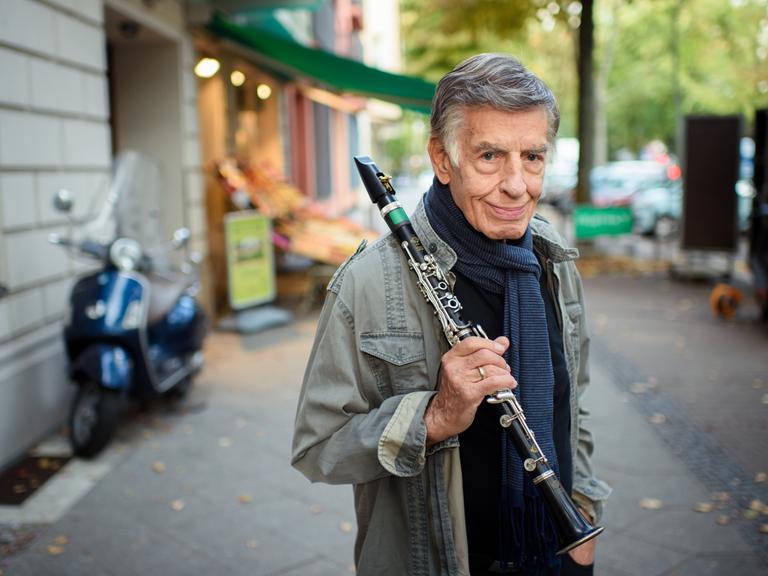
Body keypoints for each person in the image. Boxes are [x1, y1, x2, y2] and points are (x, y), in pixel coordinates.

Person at [292, 53, 610, 576]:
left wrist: (585, 504)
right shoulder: (367, 283)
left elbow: (573, 404)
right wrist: (433, 416)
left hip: (558, 550)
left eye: (533, 157)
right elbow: (318, 448)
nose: (517, 185)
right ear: (443, 158)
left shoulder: (552, 258)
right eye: (490, 156)